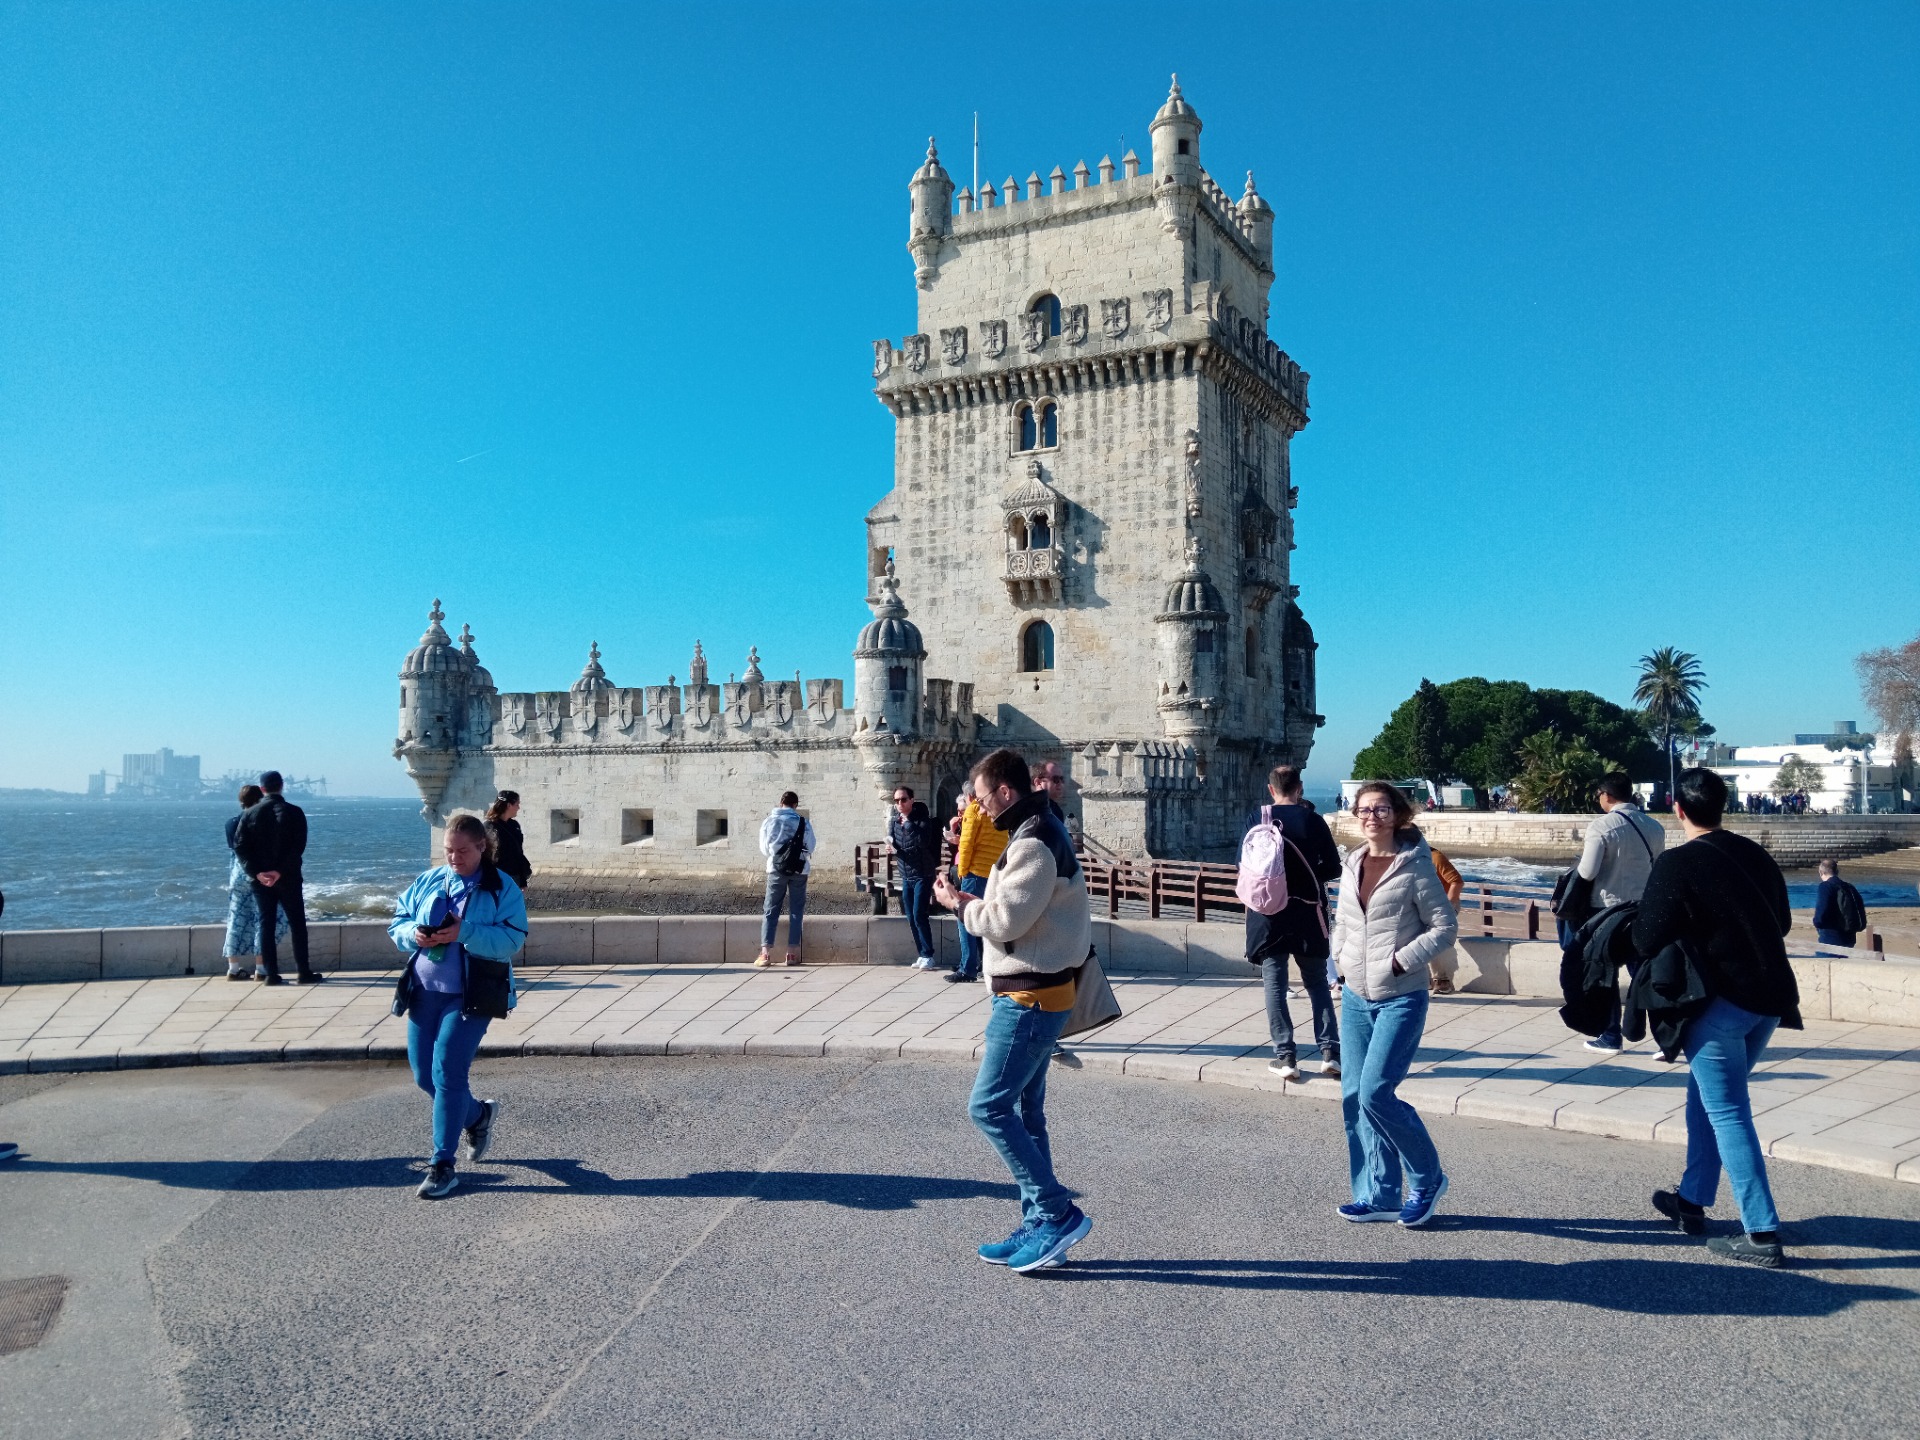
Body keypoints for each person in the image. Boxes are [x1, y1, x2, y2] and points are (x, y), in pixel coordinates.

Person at [934, 748, 1095, 1274]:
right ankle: (1039, 1224)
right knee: (1027, 1112)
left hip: (1029, 996)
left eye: (982, 800)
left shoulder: (1035, 842)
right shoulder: (1037, 829)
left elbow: (1005, 920)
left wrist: (960, 904)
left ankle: (1056, 1211)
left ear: (1005, 791)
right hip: (1039, 990)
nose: (979, 809)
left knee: (988, 1108)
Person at [1633, 767, 1800, 1268]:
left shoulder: (1677, 863)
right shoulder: (1755, 854)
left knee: (1728, 1111)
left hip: (1718, 1005)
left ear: (1677, 809)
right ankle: (1691, 1202)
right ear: (1722, 805)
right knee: (1705, 1099)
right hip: (1768, 1001)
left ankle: (1762, 1233)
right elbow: (1785, 921)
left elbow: (1646, 938)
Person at [1329, 781, 1457, 1228]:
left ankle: (1427, 1176)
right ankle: (1379, 1194)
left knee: (1376, 1094)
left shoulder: (1416, 866)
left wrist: (1401, 962)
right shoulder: (1353, 861)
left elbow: (1444, 928)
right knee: (1353, 1097)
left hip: (1400, 997)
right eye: (1363, 809)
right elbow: (1343, 920)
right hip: (1355, 996)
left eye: (1381, 809)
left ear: (1398, 814)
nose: (1371, 817)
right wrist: (1339, 961)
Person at [388, 812, 528, 1200]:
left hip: (472, 996)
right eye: (448, 851)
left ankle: (442, 1165)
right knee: (424, 1078)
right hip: (424, 991)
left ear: (481, 847)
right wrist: (413, 934)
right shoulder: (430, 880)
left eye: (462, 851)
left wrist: (463, 931)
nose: (453, 858)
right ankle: (478, 1116)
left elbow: (512, 940)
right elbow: (397, 920)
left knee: (448, 1072)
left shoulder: (502, 888)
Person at [1241, 764, 1342, 1081]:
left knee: (1274, 986)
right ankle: (1330, 1055)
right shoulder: (1313, 820)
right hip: (1307, 913)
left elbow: (1243, 867)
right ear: (1299, 788)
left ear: (1271, 790)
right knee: (1316, 983)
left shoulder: (1257, 819)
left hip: (1268, 916)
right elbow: (1334, 868)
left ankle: (1286, 1058)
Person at [1580, 773, 1668, 1051]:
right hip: (1643, 908)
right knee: (1643, 973)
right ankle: (1666, 1038)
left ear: (1606, 794)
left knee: (1605, 974)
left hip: (1607, 911)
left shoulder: (1601, 826)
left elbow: (1588, 871)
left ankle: (1610, 1035)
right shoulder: (1654, 826)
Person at [231, 771, 321, 985]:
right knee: (297, 923)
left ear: (262, 789)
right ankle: (303, 972)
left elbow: (240, 846)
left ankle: (270, 974)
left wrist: (257, 873)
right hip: (288, 877)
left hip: (260, 880)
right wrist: (279, 871)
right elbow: (298, 847)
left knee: (266, 923)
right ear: (281, 786)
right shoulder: (294, 812)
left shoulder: (249, 813)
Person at [221, 784, 287, 980]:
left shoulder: (230, 823)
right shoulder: (262, 822)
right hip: (259, 874)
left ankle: (233, 968)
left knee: (236, 920)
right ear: (260, 801)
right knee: (264, 920)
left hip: (237, 874)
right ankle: (261, 968)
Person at [949, 786, 1010, 983]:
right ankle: (988, 965)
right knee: (988, 920)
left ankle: (967, 968)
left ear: (969, 796)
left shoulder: (973, 810)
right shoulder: (998, 810)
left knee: (965, 919)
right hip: (994, 873)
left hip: (975, 873)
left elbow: (966, 843)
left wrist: (962, 870)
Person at [757, 792, 815, 967]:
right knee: (796, 911)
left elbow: (764, 849)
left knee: (771, 909)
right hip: (799, 870)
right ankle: (791, 954)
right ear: (796, 805)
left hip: (776, 869)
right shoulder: (804, 823)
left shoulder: (769, 821)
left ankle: (765, 953)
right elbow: (811, 846)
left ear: (781, 802)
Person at [889, 786, 942, 969]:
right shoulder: (895, 822)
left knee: (920, 914)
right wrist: (891, 848)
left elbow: (923, 841)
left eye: (903, 799)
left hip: (922, 873)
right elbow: (897, 843)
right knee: (910, 916)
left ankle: (929, 955)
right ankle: (922, 954)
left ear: (912, 800)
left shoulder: (922, 820)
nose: (900, 804)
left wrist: (909, 823)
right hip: (906, 873)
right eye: (896, 801)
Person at [1425, 846, 1466, 995]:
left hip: (1446, 906)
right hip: (1424, 908)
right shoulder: (1409, 858)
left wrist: (1447, 907)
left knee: (1429, 935)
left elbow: (1457, 881)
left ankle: (1441, 980)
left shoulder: (1435, 857)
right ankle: (1426, 980)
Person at [1812, 858, 1864, 951]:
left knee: (1824, 961)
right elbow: (1860, 906)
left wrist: (1817, 923)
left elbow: (1821, 910)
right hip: (1850, 936)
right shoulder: (1849, 886)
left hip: (1831, 935)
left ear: (1821, 872)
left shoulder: (1825, 886)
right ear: (1837, 871)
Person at [485, 791, 533, 891]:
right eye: (517, 804)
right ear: (509, 805)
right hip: (498, 877)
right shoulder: (489, 826)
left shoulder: (514, 825)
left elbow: (518, 853)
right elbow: (486, 856)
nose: (518, 808)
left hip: (514, 877)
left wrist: (522, 880)